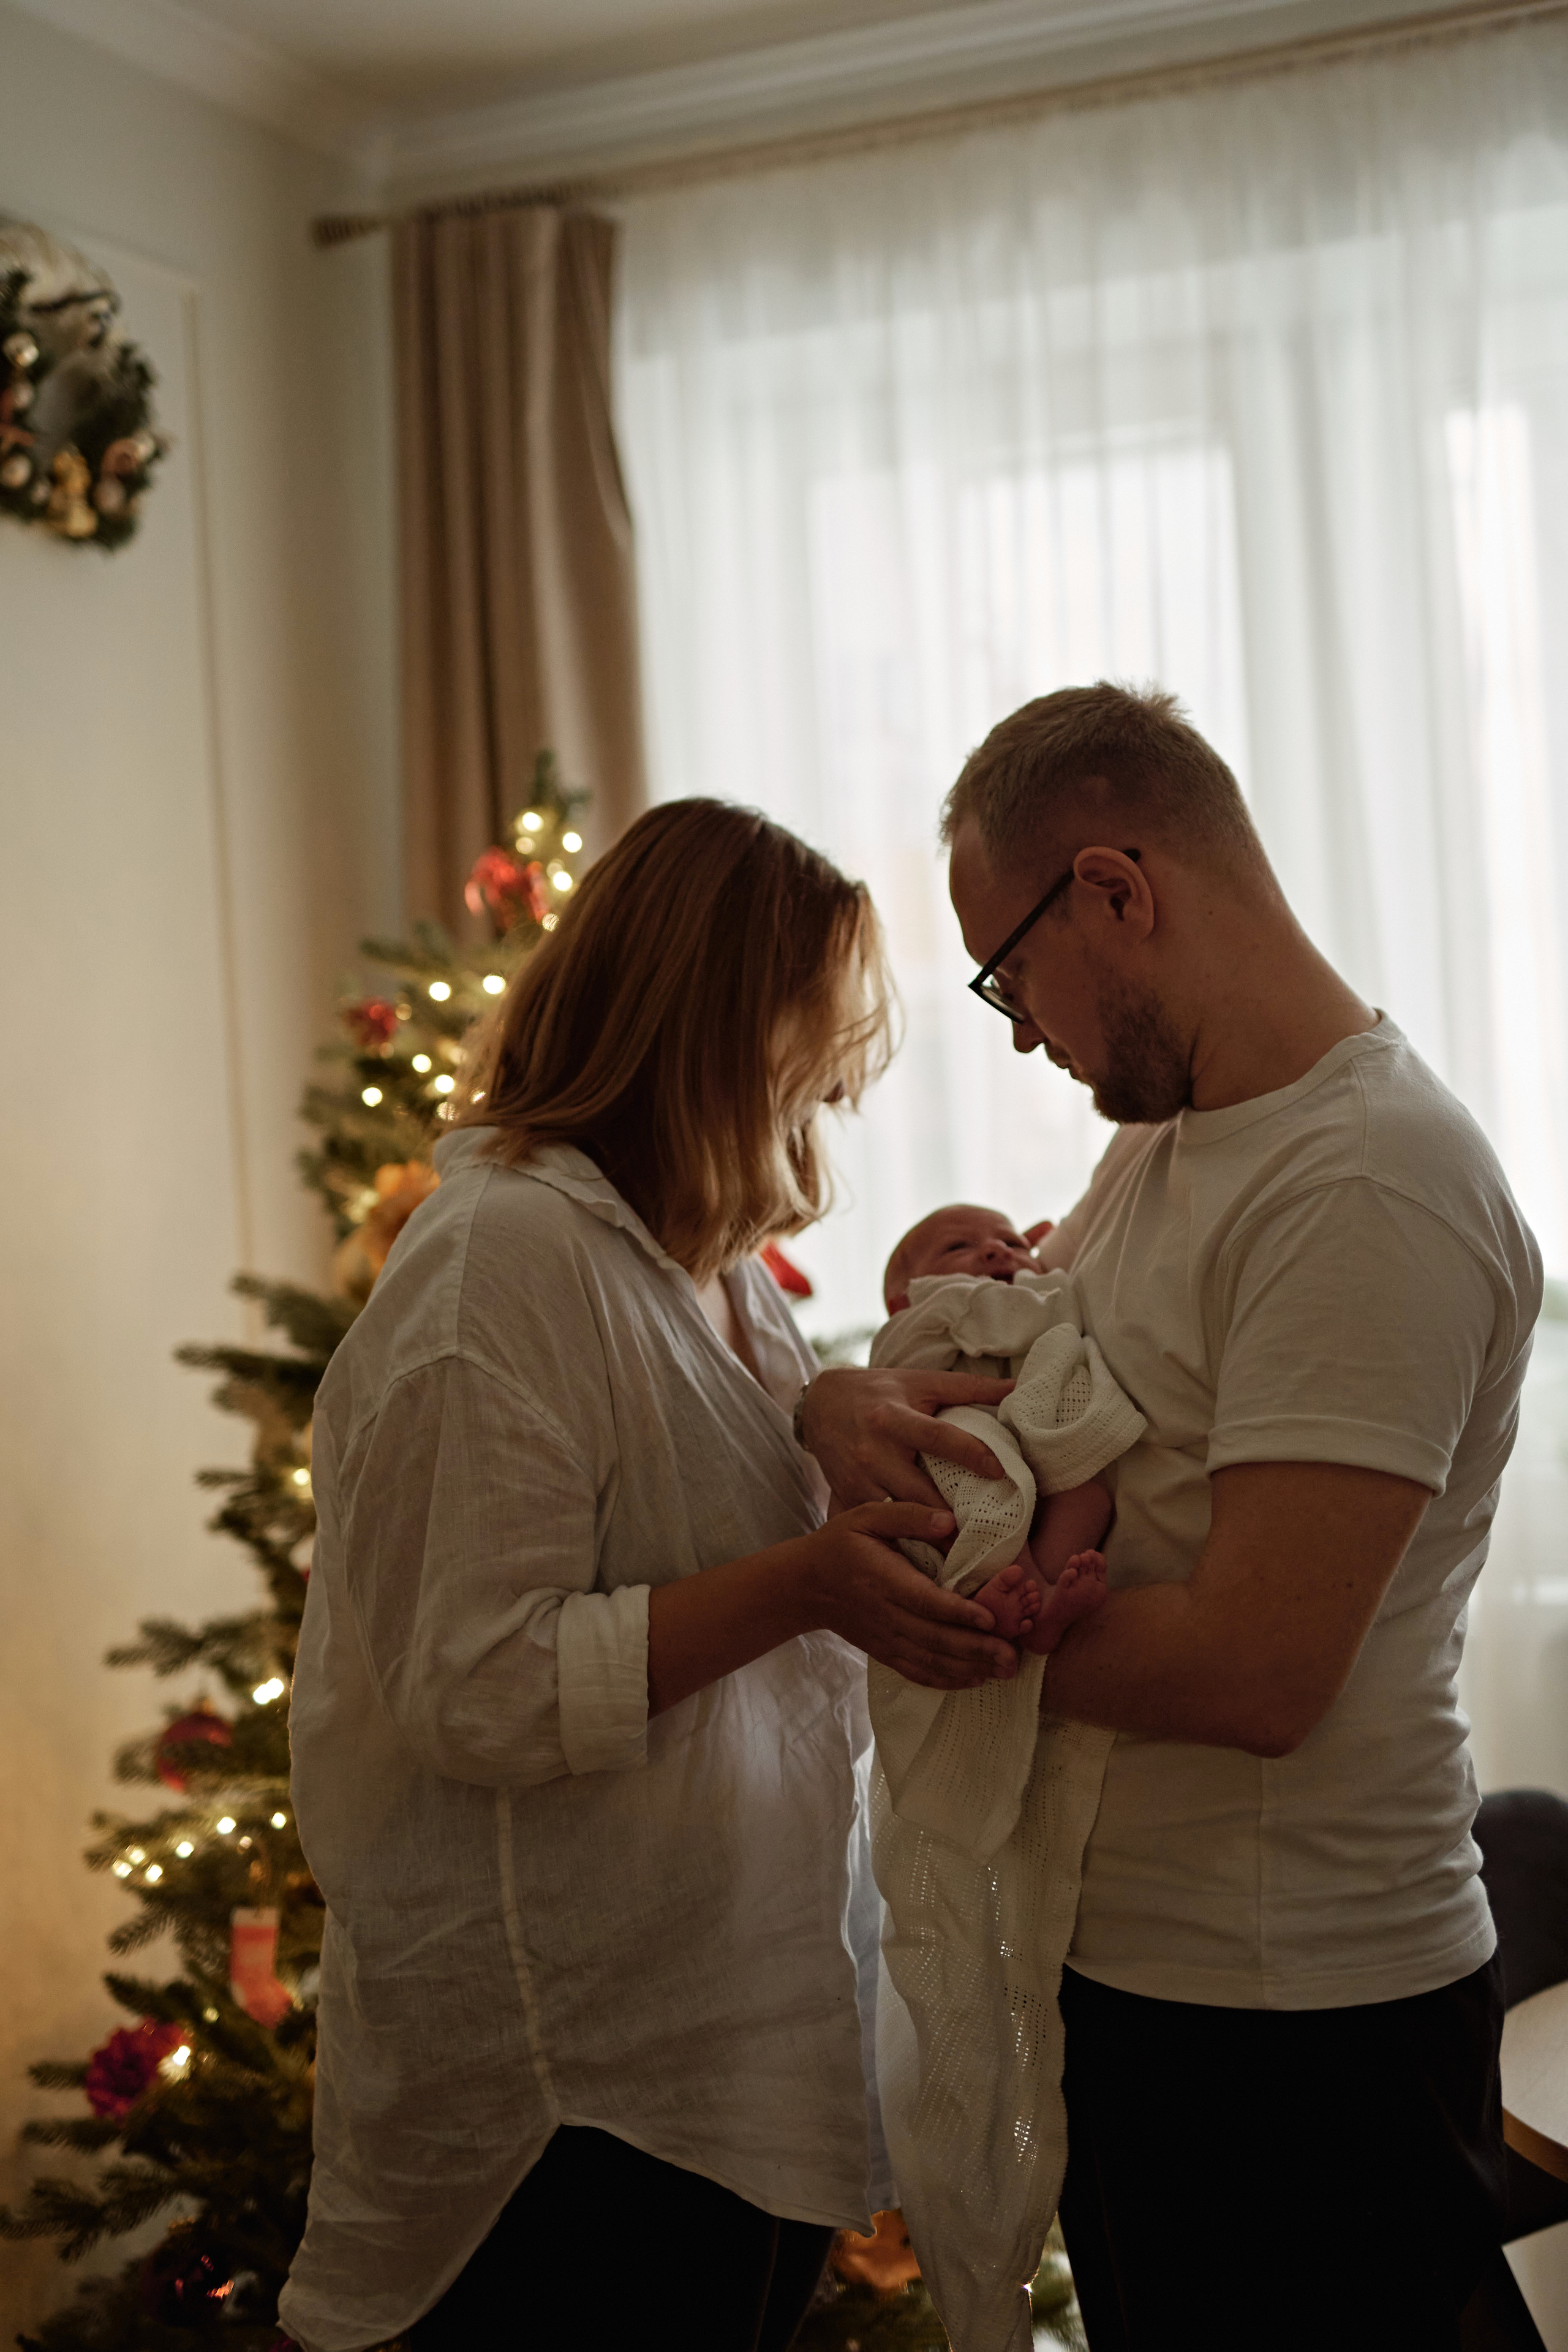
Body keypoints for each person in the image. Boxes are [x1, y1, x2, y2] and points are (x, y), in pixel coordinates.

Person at [801, 685, 1542, 2351]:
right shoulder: (1172, 1145)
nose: (1018, 1032)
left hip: (1297, 2010)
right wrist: (854, 1404)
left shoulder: (1363, 1182)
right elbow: (1032, 1392)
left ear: (1119, 892)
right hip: (1149, 1978)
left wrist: (912, 1626)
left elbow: (1258, 1669)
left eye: (1008, 975)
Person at [276, 801, 1023, 2352]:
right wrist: (813, 1582)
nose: (828, 1076)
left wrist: (819, 1403)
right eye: (808, 1035)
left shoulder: (694, 1253)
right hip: (567, 2097)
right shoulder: (501, 1267)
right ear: (707, 1025)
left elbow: (685, 1483)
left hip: (722, 2042)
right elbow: (477, 1685)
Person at [873, 1202, 1133, 1651]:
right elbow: (898, 1381)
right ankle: (1008, 1585)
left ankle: (1042, 1594)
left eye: (1013, 1243)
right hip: (966, 1441)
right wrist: (1002, 1285)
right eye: (959, 1246)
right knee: (985, 1483)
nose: (996, 1250)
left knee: (1088, 1494)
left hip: (1033, 1426)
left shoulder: (1042, 1296)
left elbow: (1058, 1320)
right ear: (902, 1301)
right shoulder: (918, 1319)